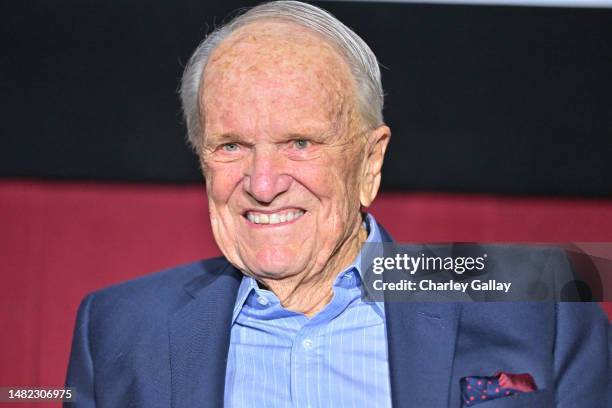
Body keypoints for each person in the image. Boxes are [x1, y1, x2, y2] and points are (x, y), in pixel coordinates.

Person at [65, 2, 609, 407]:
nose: (262, 181)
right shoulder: (118, 329)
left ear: (370, 162)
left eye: (299, 142)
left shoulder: (543, 305)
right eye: (231, 146)